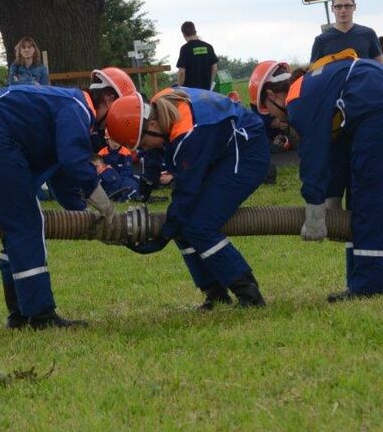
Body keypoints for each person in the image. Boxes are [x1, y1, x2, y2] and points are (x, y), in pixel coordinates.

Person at [0, 67, 135, 331]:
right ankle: (40, 315)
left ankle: (19, 313)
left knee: (14, 229)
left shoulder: (68, 105)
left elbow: (61, 176)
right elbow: (74, 162)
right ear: (109, 100)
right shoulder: (76, 107)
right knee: (27, 225)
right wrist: (106, 208)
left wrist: (81, 212)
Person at [253, 53, 383, 302]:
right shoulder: (312, 87)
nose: (275, 119)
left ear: (272, 96)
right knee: (360, 193)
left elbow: (313, 154)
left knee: (372, 194)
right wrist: (333, 198)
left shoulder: (299, 99)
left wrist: (315, 210)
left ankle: (371, 287)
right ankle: (360, 282)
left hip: (381, 104)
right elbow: (336, 150)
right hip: (379, 100)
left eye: (270, 112)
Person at [106, 88, 271, 309]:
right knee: (183, 226)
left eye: (142, 144)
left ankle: (249, 294)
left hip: (247, 151)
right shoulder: (158, 108)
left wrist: (163, 235)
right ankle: (215, 293)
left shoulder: (188, 134)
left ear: (152, 127)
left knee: (199, 226)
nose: (143, 149)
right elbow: (153, 151)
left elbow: (186, 192)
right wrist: (147, 183)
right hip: (223, 147)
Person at [311, 0, 383, 65]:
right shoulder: (321, 40)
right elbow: (313, 73)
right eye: (338, 6)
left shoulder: (368, 34)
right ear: (332, 8)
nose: (343, 10)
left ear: (354, 7)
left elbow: (381, 67)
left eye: (347, 6)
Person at [176, 21, 218, 90]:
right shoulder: (208, 47)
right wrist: (209, 85)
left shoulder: (185, 49)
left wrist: (180, 88)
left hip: (191, 93)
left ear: (183, 34)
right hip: (206, 92)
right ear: (195, 31)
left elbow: (181, 72)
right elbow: (214, 68)